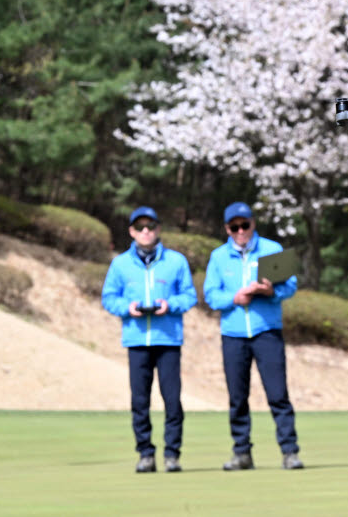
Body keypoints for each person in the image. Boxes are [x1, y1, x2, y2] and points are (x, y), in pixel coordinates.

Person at [204, 201, 303, 471]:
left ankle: (289, 451)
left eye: (244, 225)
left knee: (277, 394)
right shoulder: (218, 257)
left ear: (253, 224)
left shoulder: (272, 250)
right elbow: (211, 295)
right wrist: (234, 298)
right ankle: (242, 453)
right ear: (227, 228)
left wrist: (271, 292)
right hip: (233, 334)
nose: (240, 231)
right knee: (237, 397)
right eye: (234, 227)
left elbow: (291, 286)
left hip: (266, 331)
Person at [102, 206, 197, 473]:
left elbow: (189, 296)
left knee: (172, 399)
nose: (146, 232)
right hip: (136, 340)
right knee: (140, 401)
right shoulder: (120, 263)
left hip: (167, 340)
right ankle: (145, 453)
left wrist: (170, 304)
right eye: (140, 227)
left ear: (158, 229)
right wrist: (127, 308)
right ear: (132, 231)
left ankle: (172, 454)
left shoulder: (176, 261)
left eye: (151, 226)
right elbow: (109, 298)